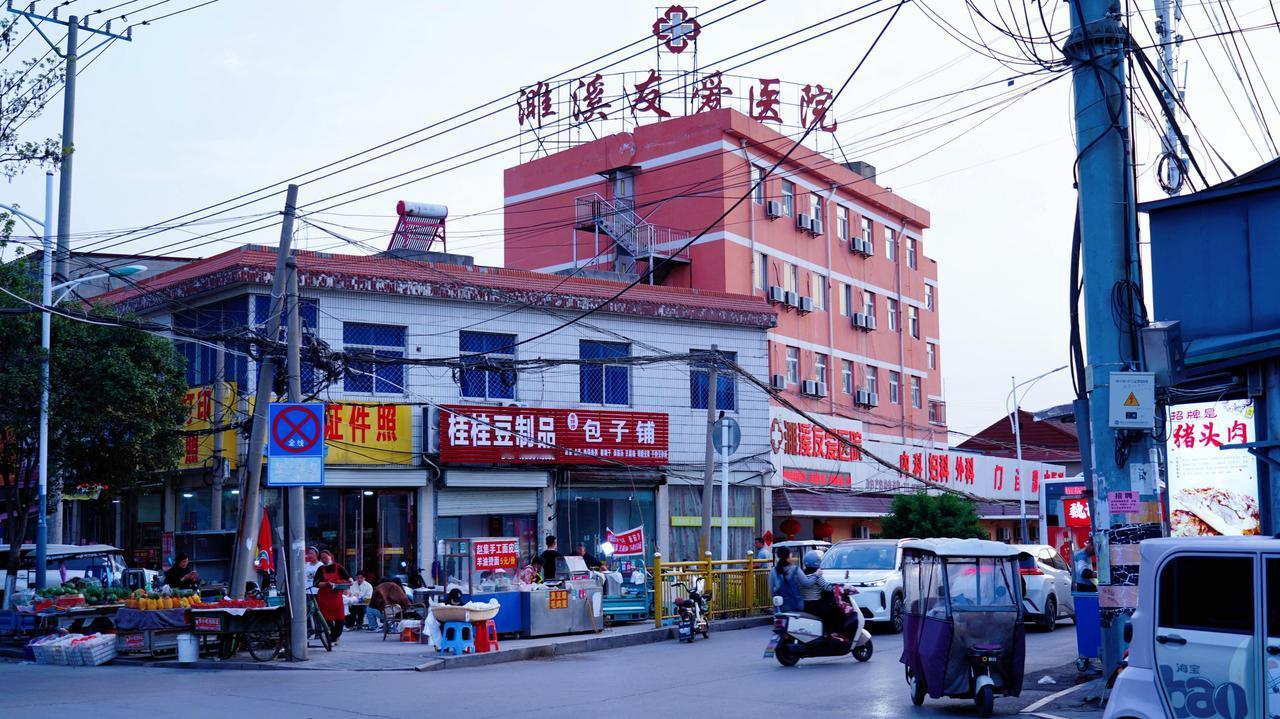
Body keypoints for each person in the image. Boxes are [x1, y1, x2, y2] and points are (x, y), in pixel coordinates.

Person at [796, 550, 843, 637]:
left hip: (804, 604)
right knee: (834, 609)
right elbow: (827, 587)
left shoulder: (802, 574)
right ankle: (831, 632)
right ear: (817, 562)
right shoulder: (817, 575)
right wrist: (838, 586)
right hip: (815, 604)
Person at [313, 549, 351, 644]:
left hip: (337, 599)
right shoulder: (320, 569)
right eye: (322, 558)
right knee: (328, 622)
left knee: (340, 620)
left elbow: (348, 578)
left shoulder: (339, 567)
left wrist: (350, 581)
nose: (324, 559)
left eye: (325, 557)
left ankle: (335, 636)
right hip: (324, 599)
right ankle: (332, 639)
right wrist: (326, 584)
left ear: (330, 556)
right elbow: (316, 584)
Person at [769, 547, 803, 613]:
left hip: (780, 606)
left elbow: (771, 591)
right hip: (796, 604)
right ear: (788, 556)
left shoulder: (773, 571)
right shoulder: (795, 569)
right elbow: (804, 583)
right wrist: (816, 575)